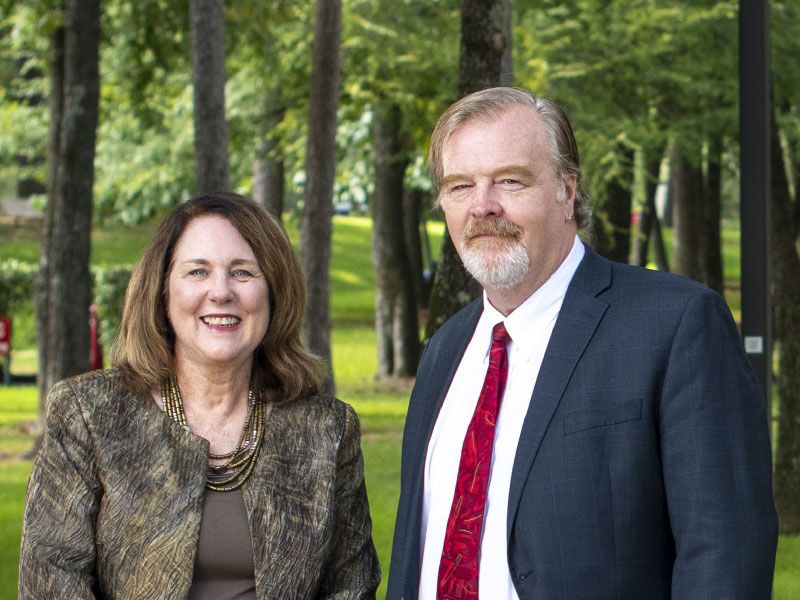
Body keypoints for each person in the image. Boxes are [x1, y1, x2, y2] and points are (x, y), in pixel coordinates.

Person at [387, 88, 778, 600]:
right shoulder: (445, 349)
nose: (482, 206)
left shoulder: (674, 324)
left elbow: (724, 556)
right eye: (460, 186)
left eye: (510, 180)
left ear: (567, 189)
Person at [20, 193, 380, 599]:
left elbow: (352, 587)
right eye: (197, 272)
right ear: (162, 292)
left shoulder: (327, 429)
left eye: (243, 272)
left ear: (274, 293)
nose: (221, 291)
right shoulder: (89, 414)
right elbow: (49, 582)